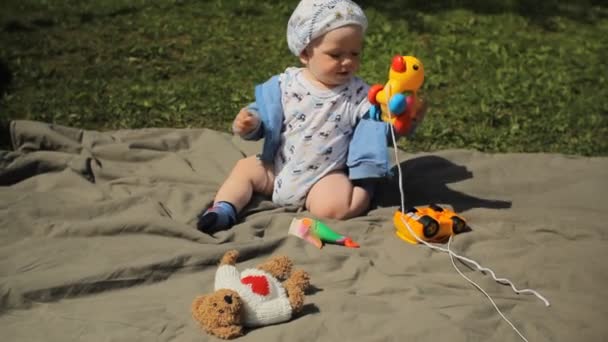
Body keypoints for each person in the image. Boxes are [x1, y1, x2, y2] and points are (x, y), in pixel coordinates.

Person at [197, 0, 426, 233]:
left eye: (355, 53)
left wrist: (404, 119)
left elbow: (378, 128)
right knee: (245, 169)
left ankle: (365, 186)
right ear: (305, 53)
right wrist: (251, 122)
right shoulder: (285, 85)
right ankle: (223, 209)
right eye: (335, 54)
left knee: (336, 208)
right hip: (279, 166)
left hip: (325, 175)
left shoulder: (359, 95)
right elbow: (264, 112)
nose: (347, 61)